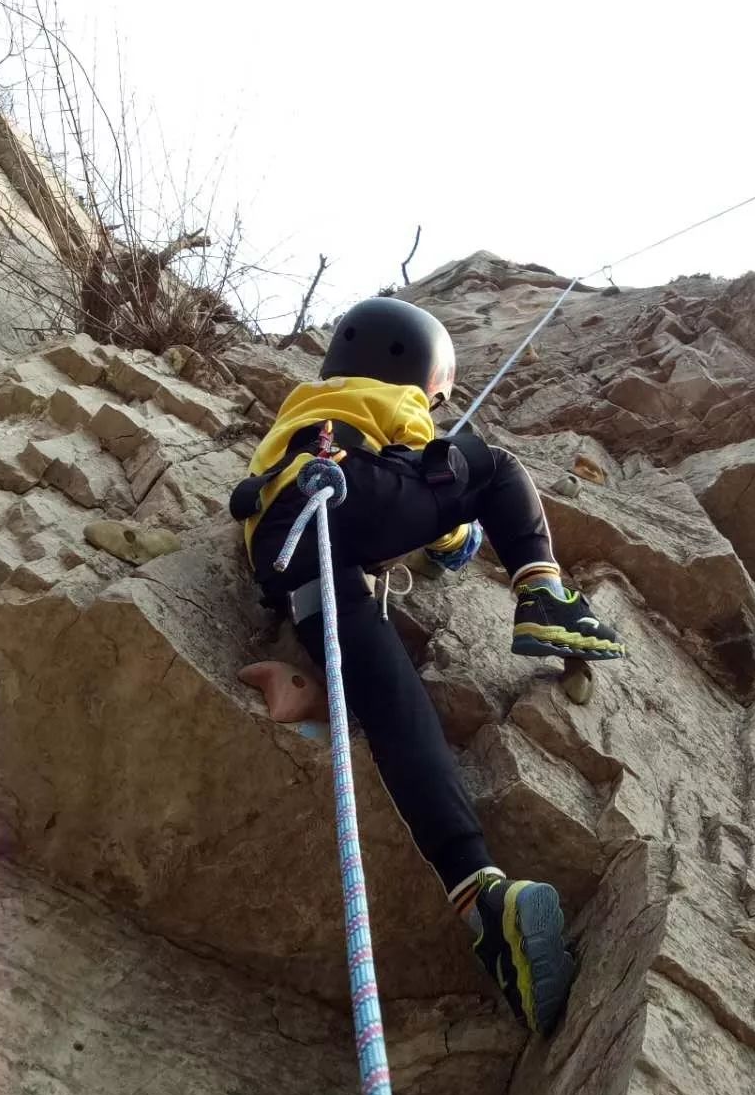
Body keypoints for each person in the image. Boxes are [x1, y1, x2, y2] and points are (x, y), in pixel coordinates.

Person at [230, 296, 625, 1038]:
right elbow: (423, 477)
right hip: (350, 492)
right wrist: (456, 534)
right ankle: (546, 595)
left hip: (294, 556)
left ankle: (482, 899)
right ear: (417, 369)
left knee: (395, 709)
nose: (434, 403)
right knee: (496, 465)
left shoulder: (295, 414)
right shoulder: (388, 399)